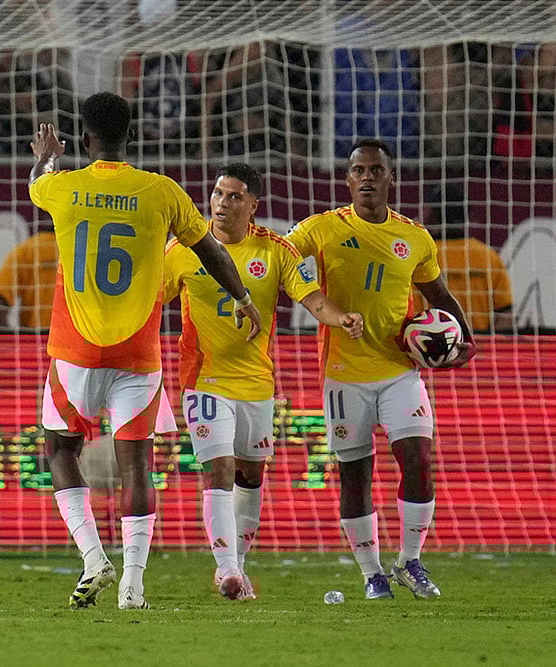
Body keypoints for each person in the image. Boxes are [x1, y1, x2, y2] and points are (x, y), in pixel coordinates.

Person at [28, 92, 262, 611]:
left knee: (60, 450)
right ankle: (133, 584)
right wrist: (242, 298)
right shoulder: (163, 192)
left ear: (84, 138)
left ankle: (93, 558)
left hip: (74, 352)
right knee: (136, 466)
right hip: (138, 356)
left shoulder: (62, 187)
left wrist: (47, 152)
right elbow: (212, 250)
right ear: (131, 136)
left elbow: (35, 183)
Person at [285, 138, 475, 600]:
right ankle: (372, 573)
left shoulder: (414, 237)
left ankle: (410, 560)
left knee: (419, 459)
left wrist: (466, 339)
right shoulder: (322, 228)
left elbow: (439, 295)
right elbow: (280, 256)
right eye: (357, 170)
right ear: (346, 179)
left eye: (375, 169)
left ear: (391, 177)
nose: (366, 176)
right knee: (356, 475)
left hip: (399, 370)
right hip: (344, 374)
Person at [163, 163, 364, 601]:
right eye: (217, 193)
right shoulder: (182, 249)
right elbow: (148, 298)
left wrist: (341, 317)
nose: (221, 203)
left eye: (234, 196)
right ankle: (227, 570)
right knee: (216, 468)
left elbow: (311, 298)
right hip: (204, 378)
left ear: (254, 205)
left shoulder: (274, 251)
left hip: (256, 383)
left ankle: (239, 565)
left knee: (250, 475)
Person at [424, 184, 513, 333]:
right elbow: (506, 314)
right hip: (480, 348)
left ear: (432, 216)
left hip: (432, 344)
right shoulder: (488, 256)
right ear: (468, 215)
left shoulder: (424, 255)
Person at [0, 230, 58, 329]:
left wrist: (10, 340)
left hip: (36, 338)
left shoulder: (28, 249)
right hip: (73, 337)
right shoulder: (78, 252)